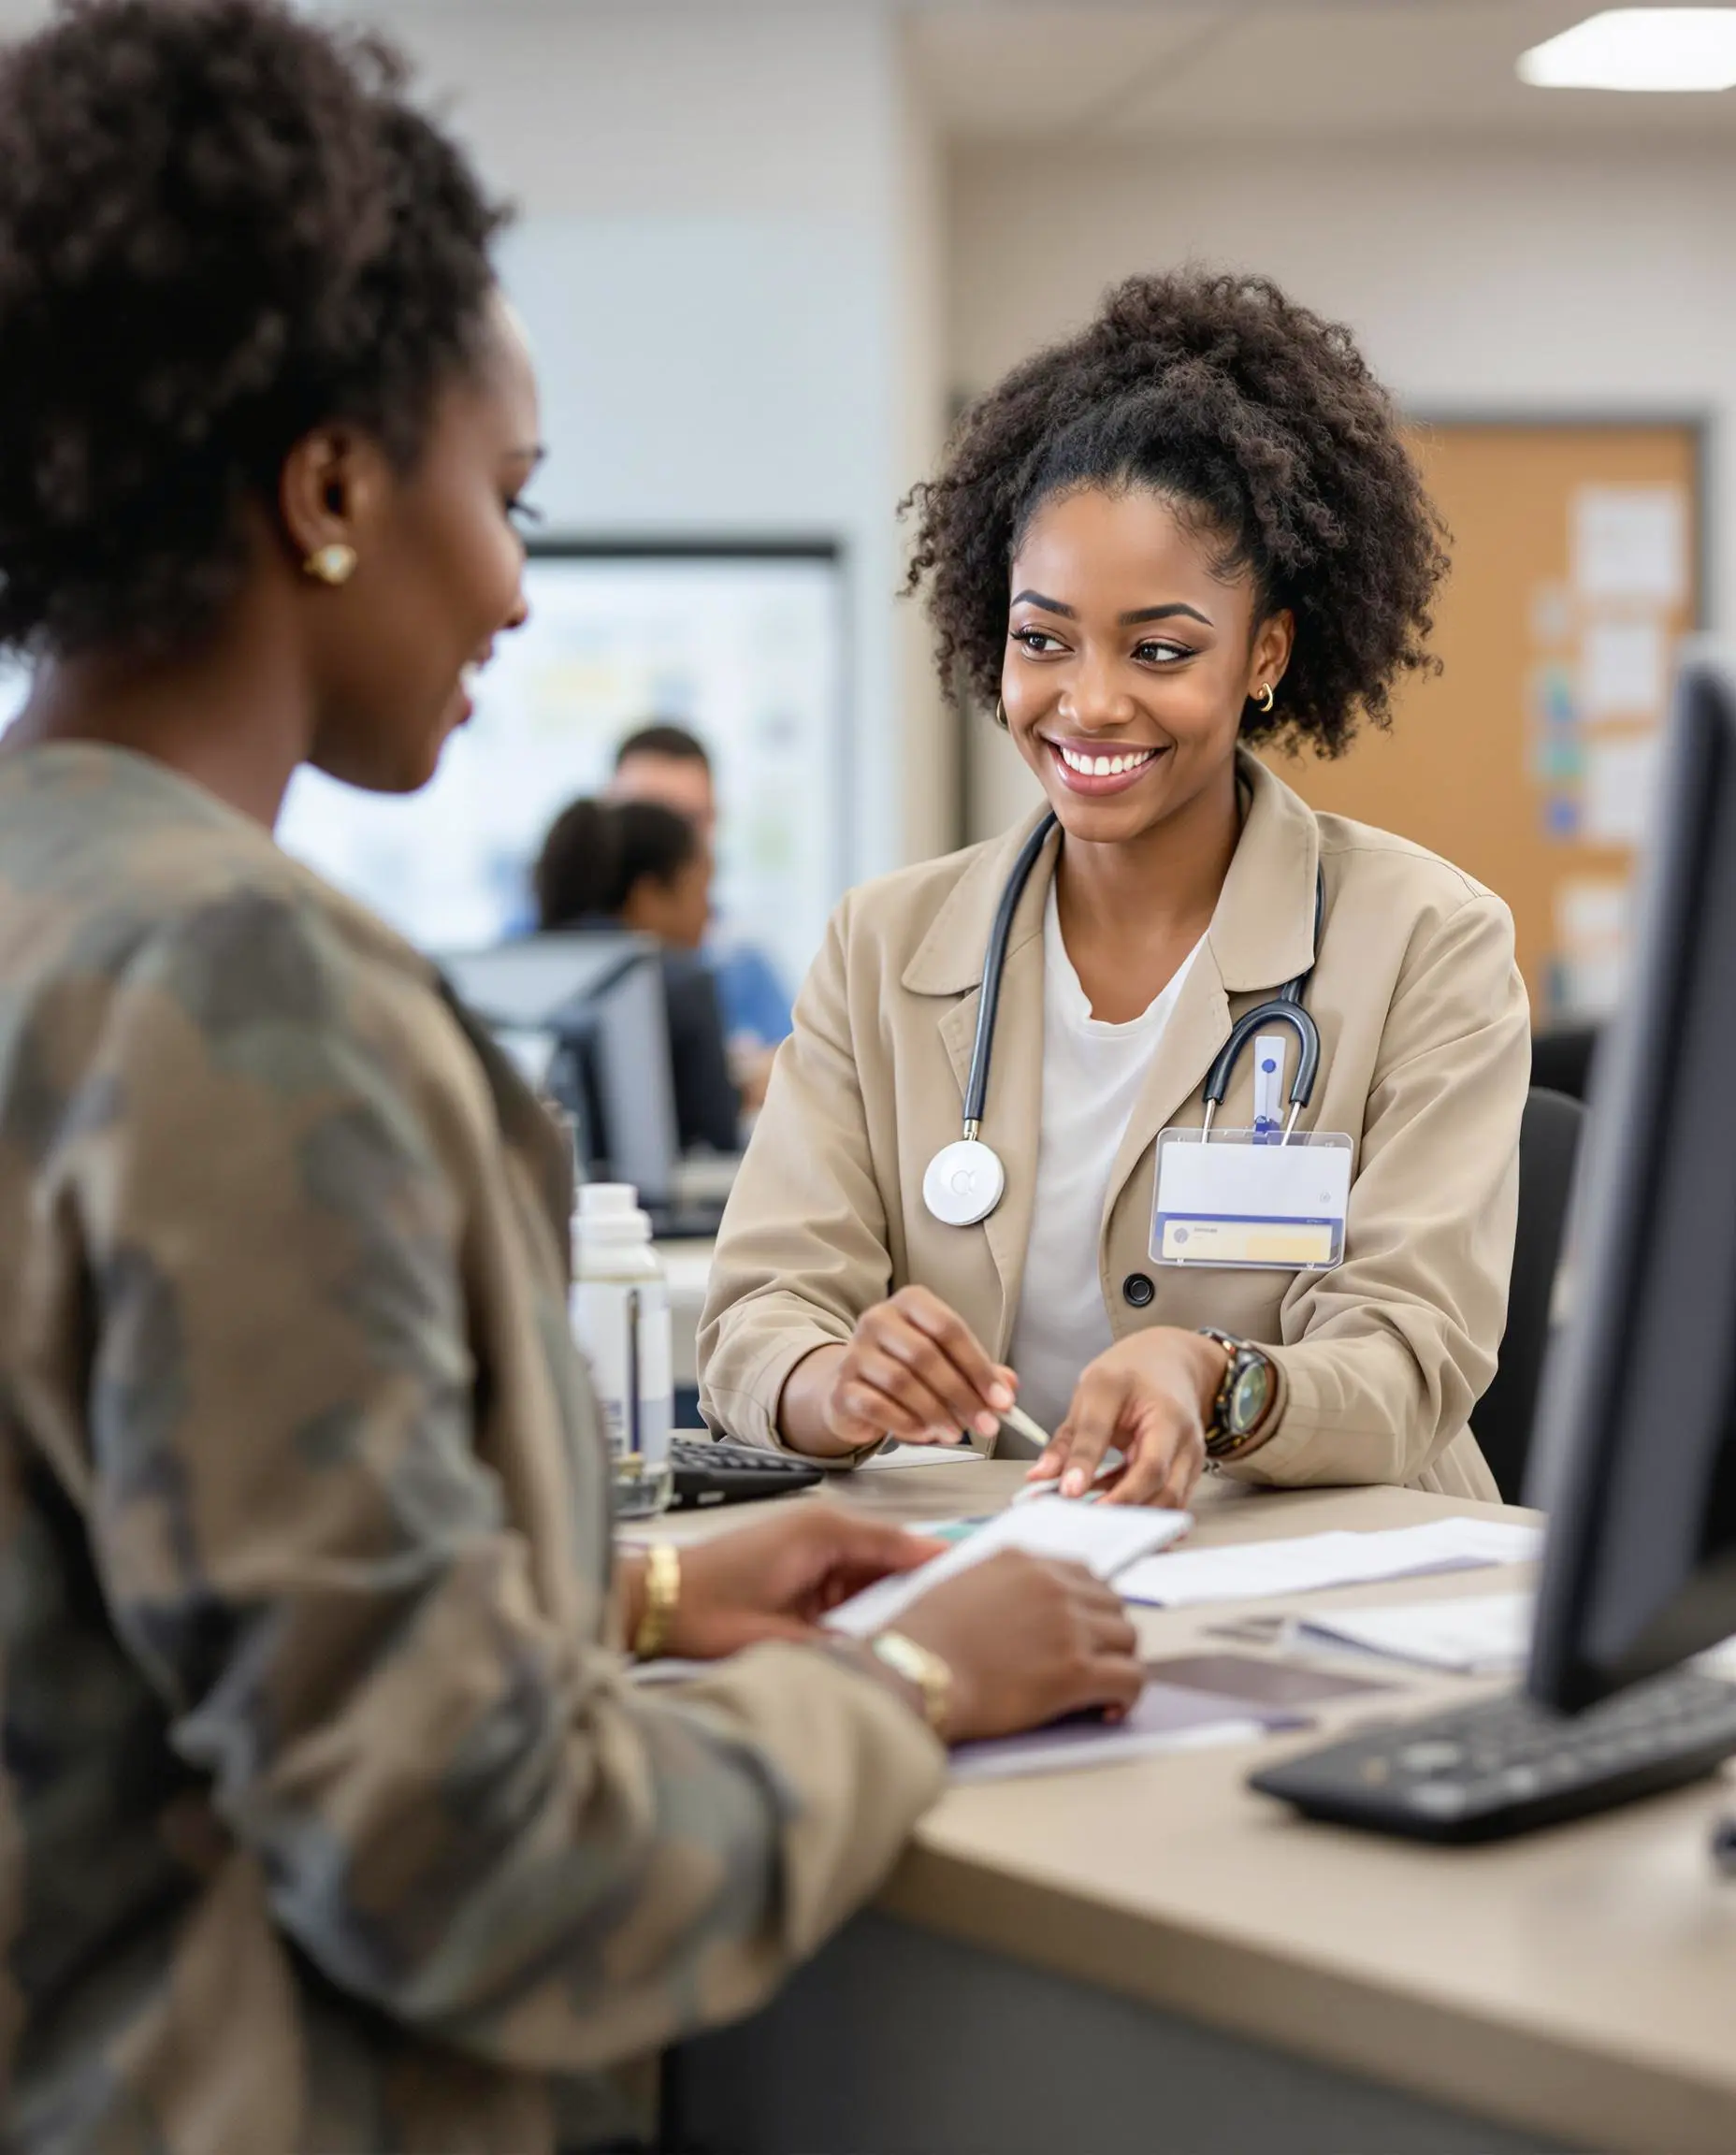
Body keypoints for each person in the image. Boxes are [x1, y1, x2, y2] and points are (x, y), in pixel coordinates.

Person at [0, 7, 1145, 2150]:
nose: (520, 589)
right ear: (332, 484)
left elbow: (118, 1617)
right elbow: (484, 1867)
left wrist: (629, 1590)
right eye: (506, 499)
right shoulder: (242, 997)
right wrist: (916, 1681)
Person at [701, 269, 1530, 1511]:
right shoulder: (882, 947)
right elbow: (761, 1312)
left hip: (1333, 1578)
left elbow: (1414, 1353)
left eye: (1160, 649)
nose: (1089, 702)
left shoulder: (1427, 944)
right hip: (996, 1576)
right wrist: (832, 1381)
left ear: (1265, 653)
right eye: (1044, 640)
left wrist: (1220, 1381)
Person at [534, 795, 741, 1154]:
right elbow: (719, 1137)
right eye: (700, 891)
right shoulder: (683, 982)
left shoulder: (527, 967)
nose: (709, 913)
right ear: (648, 896)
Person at [608, 720, 795, 1068]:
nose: (668, 845)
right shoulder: (538, 948)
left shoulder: (740, 958)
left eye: (688, 821)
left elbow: (797, 1068)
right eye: (646, 818)